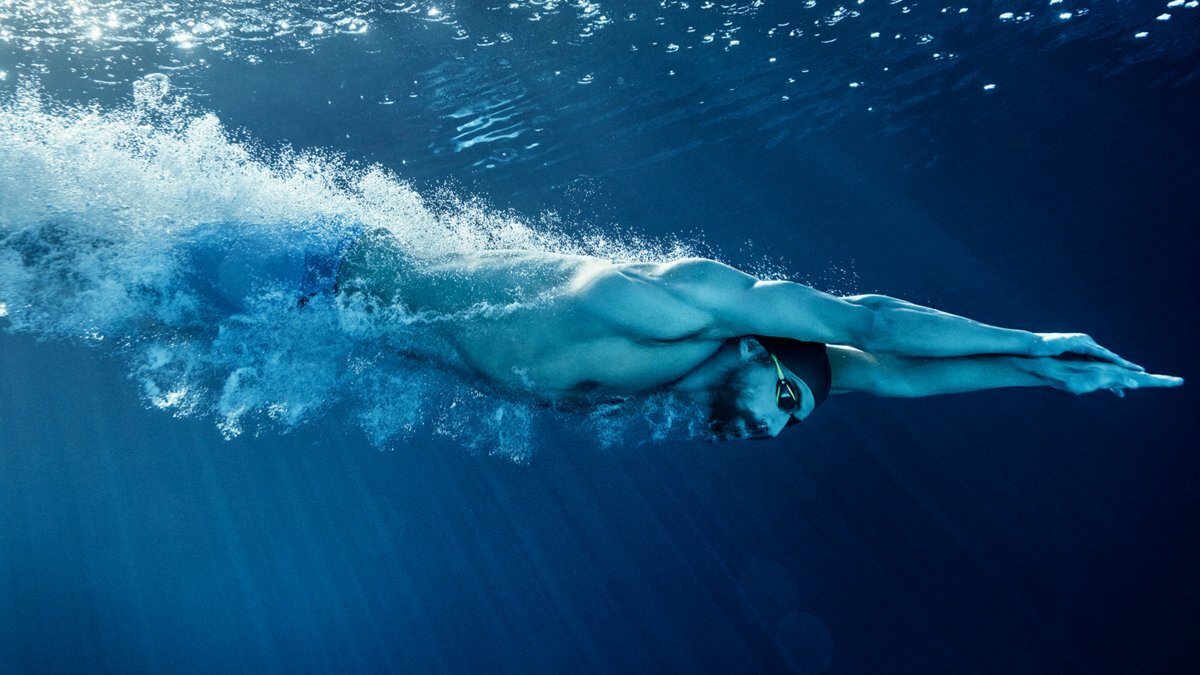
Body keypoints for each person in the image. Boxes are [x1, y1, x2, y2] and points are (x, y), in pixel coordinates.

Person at [329, 228, 1182, 440]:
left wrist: (1042, 382)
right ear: (755, 347)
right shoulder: (678, 307)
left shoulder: (673, 380)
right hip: (317, 269)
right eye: (785, 400)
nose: (776, 427)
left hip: (314, 329)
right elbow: (871, 328)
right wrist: (1034, 342)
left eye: (793, 420)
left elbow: (892, 377)